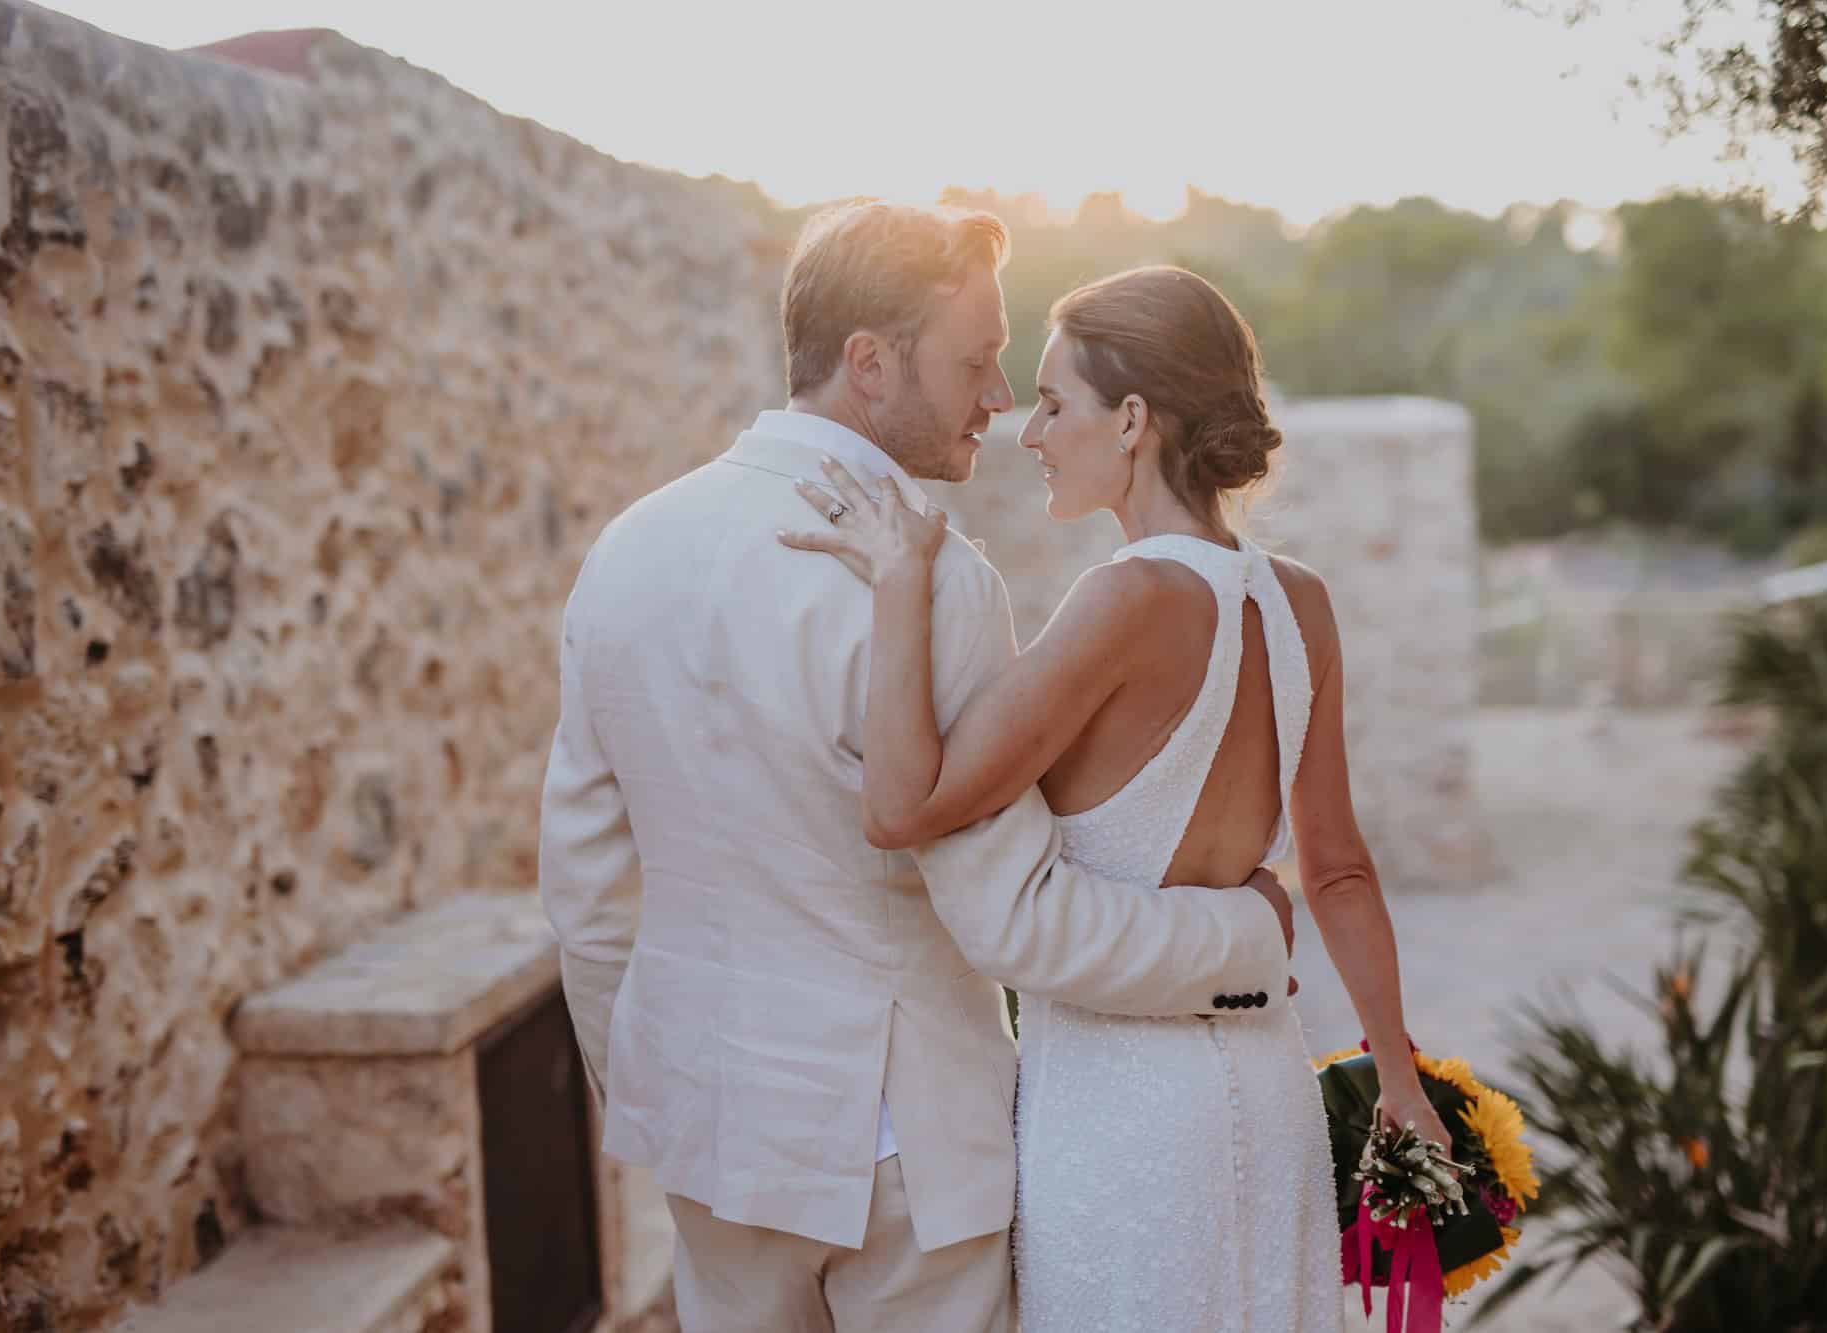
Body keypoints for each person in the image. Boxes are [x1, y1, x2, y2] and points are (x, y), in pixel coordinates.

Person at [537, 205, 1298, 1333]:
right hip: (905, 1158)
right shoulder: (930, 577)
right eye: (976, 361)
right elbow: (1014, 920)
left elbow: (586, 895)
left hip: (707, 1137)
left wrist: (660, 1090)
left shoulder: (626, 550)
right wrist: (1248, 937)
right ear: (869, 363)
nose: (998, 397)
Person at [781, 264, 1444, 1332]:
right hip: (1265, 1086)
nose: (1029, 432)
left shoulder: (1126, 598)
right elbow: (1337, 870)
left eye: (1052, 403)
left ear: (1131, 418)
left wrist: (901, 582)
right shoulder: (1299, 600)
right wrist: (1398, 1083)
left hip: (1117, 1112)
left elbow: (903, 809)